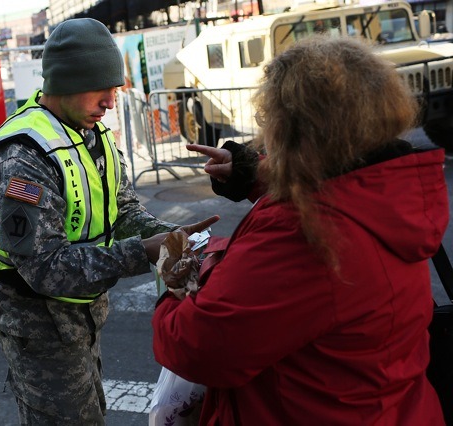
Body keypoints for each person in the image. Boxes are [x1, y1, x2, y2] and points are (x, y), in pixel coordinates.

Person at [151, 35, 448, 425]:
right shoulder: (384, 186)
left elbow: (198, 348)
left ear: (293, 130)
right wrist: (250, 173)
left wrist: (171, 287)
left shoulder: (306, 233)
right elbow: (332, 178)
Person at [0, 18, 217, 425]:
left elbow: (122, 211)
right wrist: (143, 252)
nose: (110, 102)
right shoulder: (22, 158)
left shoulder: (93, 133)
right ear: (66, 82)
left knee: (88, 413)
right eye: (101, 89)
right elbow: (45, 269)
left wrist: (169, 238)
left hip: (82, 312)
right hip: (39, 325)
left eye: (115, 89)